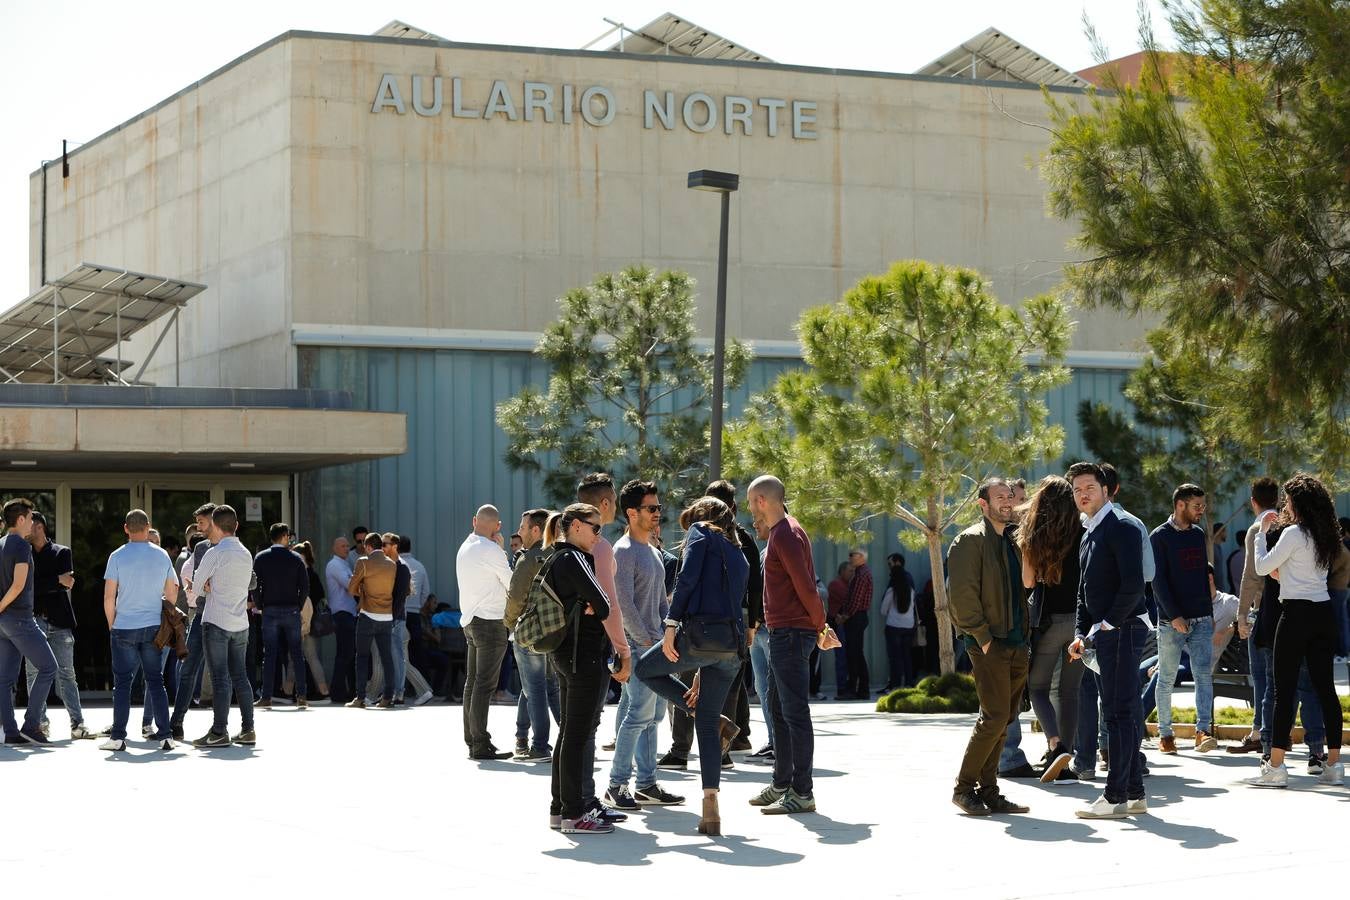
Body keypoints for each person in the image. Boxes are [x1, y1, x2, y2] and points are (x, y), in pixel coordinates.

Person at [636, 496, 749, 834]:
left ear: (702, 516)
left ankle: (705, 717)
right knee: (710, 721)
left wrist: (670, 626)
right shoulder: (738, 550)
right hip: (731, 647)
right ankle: (710, 805)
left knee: (644, 668)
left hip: (698, 635)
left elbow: (686, 580)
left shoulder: (701, 532)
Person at [746, 475, 839, 815]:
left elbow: (806, 586)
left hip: (790, 633)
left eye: (750, 502)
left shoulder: (784, 533)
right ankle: (782, 783)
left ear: (760, 501)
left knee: (794, 712)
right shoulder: (788, 529)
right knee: (778, 709)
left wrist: (821, 626)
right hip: (785, 632)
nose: (749, 509)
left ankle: (802, 791)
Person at [1247, 473, 1344, 788]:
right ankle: (1332, 765)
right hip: (1323, 613)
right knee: (1325, 689)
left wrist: (1262, 534)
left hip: (1296, 615)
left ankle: (1275, 766)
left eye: (1287, 499)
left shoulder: (1291, 533)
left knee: (1283, 691)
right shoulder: (1326, 534)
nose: (1284, 504)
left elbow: (1261, 567)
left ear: (1297, 503)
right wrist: (1283, 574)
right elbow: (1304, 573)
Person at [1066, 462, 1149, 819]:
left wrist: (1108, 626)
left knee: (1117, 714)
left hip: (1124, 630)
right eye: (1076, 490)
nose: (1082, 494)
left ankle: (1115, 796)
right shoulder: (1088, 532)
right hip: (1104, 634)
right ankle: (1133, 794)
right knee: (1122, 712)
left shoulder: (1123, 527)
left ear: (1105, 490)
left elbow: (1134, 584)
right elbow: (1084, 593)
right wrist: (1081, 635)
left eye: (1089, 487)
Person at [948, 478, 1033, 816]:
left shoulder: (1013, 541)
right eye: (1000, 497)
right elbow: (962, 596)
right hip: (989, 643)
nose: (1008, 502)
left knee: (1005, 718)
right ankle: (963, 788)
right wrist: (982, 638)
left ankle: (990, 791)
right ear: (982, 504)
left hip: (1016, 642)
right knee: (995, 716)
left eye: (1010, 496)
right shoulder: (969, 541)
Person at [544, 504, 629, 835]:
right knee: (576, 736)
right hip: (584, 656)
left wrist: (594, 603)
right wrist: (595, 603)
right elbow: (605, 603)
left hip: (566, 654)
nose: (599, 536)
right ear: (577, 526)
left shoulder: (556, 557)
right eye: (596, 528)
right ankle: (574, 814)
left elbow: (597, 602)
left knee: (568, 734)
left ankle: (559, 810)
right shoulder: (576, 559)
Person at [605, 480, 683, 811]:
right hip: (639, 648)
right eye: (651, 508)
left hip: (655, 646)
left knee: (654, 717)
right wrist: (647, 642)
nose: (657, 514)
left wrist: (668, 632)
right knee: (638, 715)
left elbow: (660, 604)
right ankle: (616, 785)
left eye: (658, 508)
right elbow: (623, 606)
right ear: (631, 512)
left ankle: (646, 784)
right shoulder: (622, 552)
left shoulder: (652, 552)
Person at [1015, 475, 1085, 784]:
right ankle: (1066, 765)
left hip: (1050, 621)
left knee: (1038, 687)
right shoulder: (1084, 532)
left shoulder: (1033, 536)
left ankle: (1055, 745)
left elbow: (1028, 582)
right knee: (1069, 692)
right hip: (1080, 622)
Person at [99, 509, 179, 752]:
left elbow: (108, 596)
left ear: (126, 528)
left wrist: (112, 624)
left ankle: (118, 737)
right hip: (153, 625)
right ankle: (165, 736)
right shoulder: (162, 555)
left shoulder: (116, 556)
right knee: (156, 681)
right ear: (148, 527)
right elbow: (173, 591)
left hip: (124, 625)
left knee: (122, 683)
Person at [1151, 484, 1219, 754]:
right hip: (1171, 622)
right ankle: (1165, 734)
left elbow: (1204, 575)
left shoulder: (1199, 534)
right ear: (1181, 505)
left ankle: (1203, 731)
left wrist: (1210, 613)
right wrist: (1174, 615)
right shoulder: (1159, 537)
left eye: (1203, 505)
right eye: (1197, 506)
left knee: (1203, 675)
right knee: (1166, 677)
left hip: (1202, 618)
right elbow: (1158, 582)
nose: (1201, 510)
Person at [191, 505, 257, 748]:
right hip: (240, 622)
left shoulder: (214, 553)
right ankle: (248, 729)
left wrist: (206, 586)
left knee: (220, 679)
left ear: (216, 526)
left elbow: (196, 588)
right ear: (236, 525)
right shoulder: (246, 553)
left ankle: (219, 731)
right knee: (241, 677)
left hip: (216, 621)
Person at [454, 504, 513, 757]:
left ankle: (472, 739)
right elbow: (512, 582)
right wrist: (500, 550)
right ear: (497, 526)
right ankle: (480, 742)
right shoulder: (492, 550)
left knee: (472, 683)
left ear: (474, 520)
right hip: (490, 622)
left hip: (471, 621)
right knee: (484, 685)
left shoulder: (465, 546)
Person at [0, 498, 60, 745]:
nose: (34, 523)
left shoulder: (1, 543)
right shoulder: (22, 546)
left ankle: (11, 733)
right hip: (20, 619)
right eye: (31, 517)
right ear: (21, 519)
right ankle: (31, 724)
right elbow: (18, 584)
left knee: (4, 680)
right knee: (49, 667)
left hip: (4, 623)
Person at [26, 512, 89, 739]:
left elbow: (67, 583)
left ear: (39, 526)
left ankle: (78, 724)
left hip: (60, 621)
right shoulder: (24, 554)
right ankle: (40, 723)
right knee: (34, 674)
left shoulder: (62, 552)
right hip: (33, 622)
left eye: (28, 523)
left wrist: (43, 584)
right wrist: (54, 581)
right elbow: (27, 588)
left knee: (67, 674)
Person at [506, 508, 560, 761]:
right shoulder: (559, 554)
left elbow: (515, 597)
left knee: (534, 688)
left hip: (529, 633)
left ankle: (540, 746)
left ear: (536, 530)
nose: (519, 532)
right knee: (541, 686)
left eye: (523, 527)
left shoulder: (529, 559)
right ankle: (523, 737)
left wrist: (510, 623)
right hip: (554, 633)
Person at [1230, 477, 1279, 754]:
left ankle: (1259, 730)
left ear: (1253, 502)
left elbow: (1250, 577)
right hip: (1289, 610)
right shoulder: (1287, 526)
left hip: (1261, 610)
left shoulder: (1255, 529)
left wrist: (1241, 617)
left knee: (1261, 676)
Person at [169, 506, 217, 740]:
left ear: (214, 521)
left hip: (224, 615)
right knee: (187, 668)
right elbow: (201, 582)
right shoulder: (201, 547)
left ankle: (223, 727)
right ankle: (176, 723)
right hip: (200, 612)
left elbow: (248, 581)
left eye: (201, 522)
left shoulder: (233, 547)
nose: (198, 527)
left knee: (222, 672)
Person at [254, 522, 309, 708]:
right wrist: (299, 605)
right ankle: (301, 696)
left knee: (269, 654)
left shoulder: (261, 558)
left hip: (269, 610)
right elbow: (305, 586)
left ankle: (267, 696)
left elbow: (255, 585)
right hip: (292, 609)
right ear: (285, 536)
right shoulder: (295, 558)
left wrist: (261, 605)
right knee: (296, 653)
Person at [347, 532, 399, 710]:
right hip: (386, 616)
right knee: (387, 658)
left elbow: (351, 588)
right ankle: (387, 697)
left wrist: (362, 591)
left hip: (368, 614)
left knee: (361, 657)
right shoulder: (392, 565)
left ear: (368, 547)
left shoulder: (363, 562)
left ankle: (360, 697)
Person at [396, 536, 435, 705]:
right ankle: (423, 688)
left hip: (398, 613)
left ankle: (401, 689)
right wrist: (417, 605)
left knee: (399, 652)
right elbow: (426, 590)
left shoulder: (395, 565)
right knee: (417, 652)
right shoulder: (419, 566)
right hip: (414, 614)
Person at [293, 541, 330, 700]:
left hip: (301, 621)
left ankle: (287, 691)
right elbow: (320, 596)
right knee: (309, 657)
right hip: (310, 621)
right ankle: (323, 691)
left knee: (294, 658)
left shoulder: (301, 574)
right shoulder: (313, 574)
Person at [837, 548, 873, 699]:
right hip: (857, 617)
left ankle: (854, 690)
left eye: (853, 555)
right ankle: (862, 690)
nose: (850, 557)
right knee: (856, 654)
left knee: (853, 654)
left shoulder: (861, 574)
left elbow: (856, 600)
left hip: (856, 618)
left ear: (862, 557)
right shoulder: (860, 573)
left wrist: (845, 615)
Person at [325, 536, 357, 704]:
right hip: (342, 613)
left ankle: (349, 691)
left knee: (348, 654)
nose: (347, 548)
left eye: (347, 546)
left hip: (349, 613)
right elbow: (351, 585)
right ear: (335, 548)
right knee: (345, 654)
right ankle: (338, 692)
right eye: (343, 546)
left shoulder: (344, 564)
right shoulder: (334, 565)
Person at [880, 553, 916, 691]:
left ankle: (895, 685)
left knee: (895, 657)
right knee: (907, 656)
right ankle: (909, 683)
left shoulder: (891, 589)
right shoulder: (911, 589)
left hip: (894, 626)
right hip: (909, 625)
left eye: (890, 564)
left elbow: (883, 610)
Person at [825, 561, 853, 699]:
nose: (851, 574)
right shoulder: (836, 585)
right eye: (849, 571)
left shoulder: (847, 585)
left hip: (844, 623)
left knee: (845, 657)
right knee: (841, 657)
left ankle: (845, 686)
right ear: (841, 571)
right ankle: (841, 688)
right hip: (838, 624)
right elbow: (845, 600)